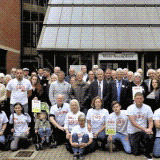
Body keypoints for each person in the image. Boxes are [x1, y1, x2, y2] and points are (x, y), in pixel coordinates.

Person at [127, 92, 153, 159]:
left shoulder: (148, 108)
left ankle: (146, 152)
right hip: (133, 132)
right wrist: (145, 129)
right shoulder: (130, 108)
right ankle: (140, 145)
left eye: (140, 98)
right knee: (136, 153)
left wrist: (149, 129)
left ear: (143, 99)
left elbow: (150, 121)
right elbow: (133, 122)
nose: (139, 100)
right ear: (134, 99)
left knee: (150, 135)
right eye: (137, 98)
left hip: (143, 131)